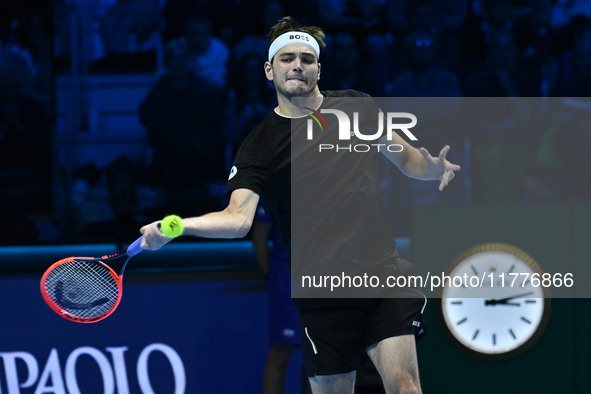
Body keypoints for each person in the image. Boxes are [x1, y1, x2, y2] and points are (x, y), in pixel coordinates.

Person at [140, 16, 460, 393]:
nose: (297, 65)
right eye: (287, 58)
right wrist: (178, 226)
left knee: (405, 386)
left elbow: (408, 161)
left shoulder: (358, 109)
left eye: (306, 59)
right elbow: (237, 219)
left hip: (381, 274)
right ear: (268, 70)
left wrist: (432, 167)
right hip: (322, 290)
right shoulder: (259, 146)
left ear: (319, 69)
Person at [251, 204, 312, 393]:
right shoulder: (274, 178)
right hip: (287, 279)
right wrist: (271, 275)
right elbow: (259, 236)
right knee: (280, 350)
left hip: (322, 279)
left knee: (316, 353)